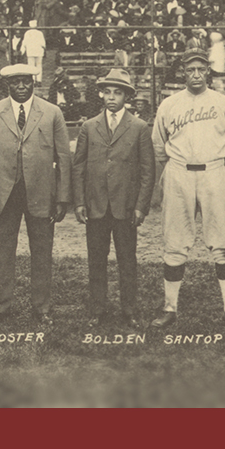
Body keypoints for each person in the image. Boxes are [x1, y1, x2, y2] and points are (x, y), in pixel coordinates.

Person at [150, 48, 225, 329]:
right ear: (182, 72)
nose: (195, 74)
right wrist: (178, 166)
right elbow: (158, 145)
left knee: (224, 242)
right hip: (179, 172)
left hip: (215, 171)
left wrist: (214, 166)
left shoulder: (224, 103)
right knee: (175, 241)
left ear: (208, 71)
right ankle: (170, 308)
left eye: (201, 69)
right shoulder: (169, 104)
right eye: (190, 69)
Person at [0, 64, 71, 325]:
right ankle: (2, 308)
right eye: (16, 82)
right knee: (2, 253)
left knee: (42, 252)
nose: (22, 86)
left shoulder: (52, 112)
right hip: (2, 194)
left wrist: (62, 198)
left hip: (41, 193)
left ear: (34, 82)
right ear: (7, 85)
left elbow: (63, 158)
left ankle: (42, 308)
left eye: (26, 81)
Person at [72, 68, 155, 330]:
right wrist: (80, 202)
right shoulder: (88, 126)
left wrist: (141, 206)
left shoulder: (139, 127)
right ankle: (98, 309)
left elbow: (147, 170)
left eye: (117, 92)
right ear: (100, 94)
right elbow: (79, 167)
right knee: (96, 259)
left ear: (127, 96)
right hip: (95, 205)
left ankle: (128, 309)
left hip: (125, 207)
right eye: (106, 92)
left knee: (127, 259)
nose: (111, 97)